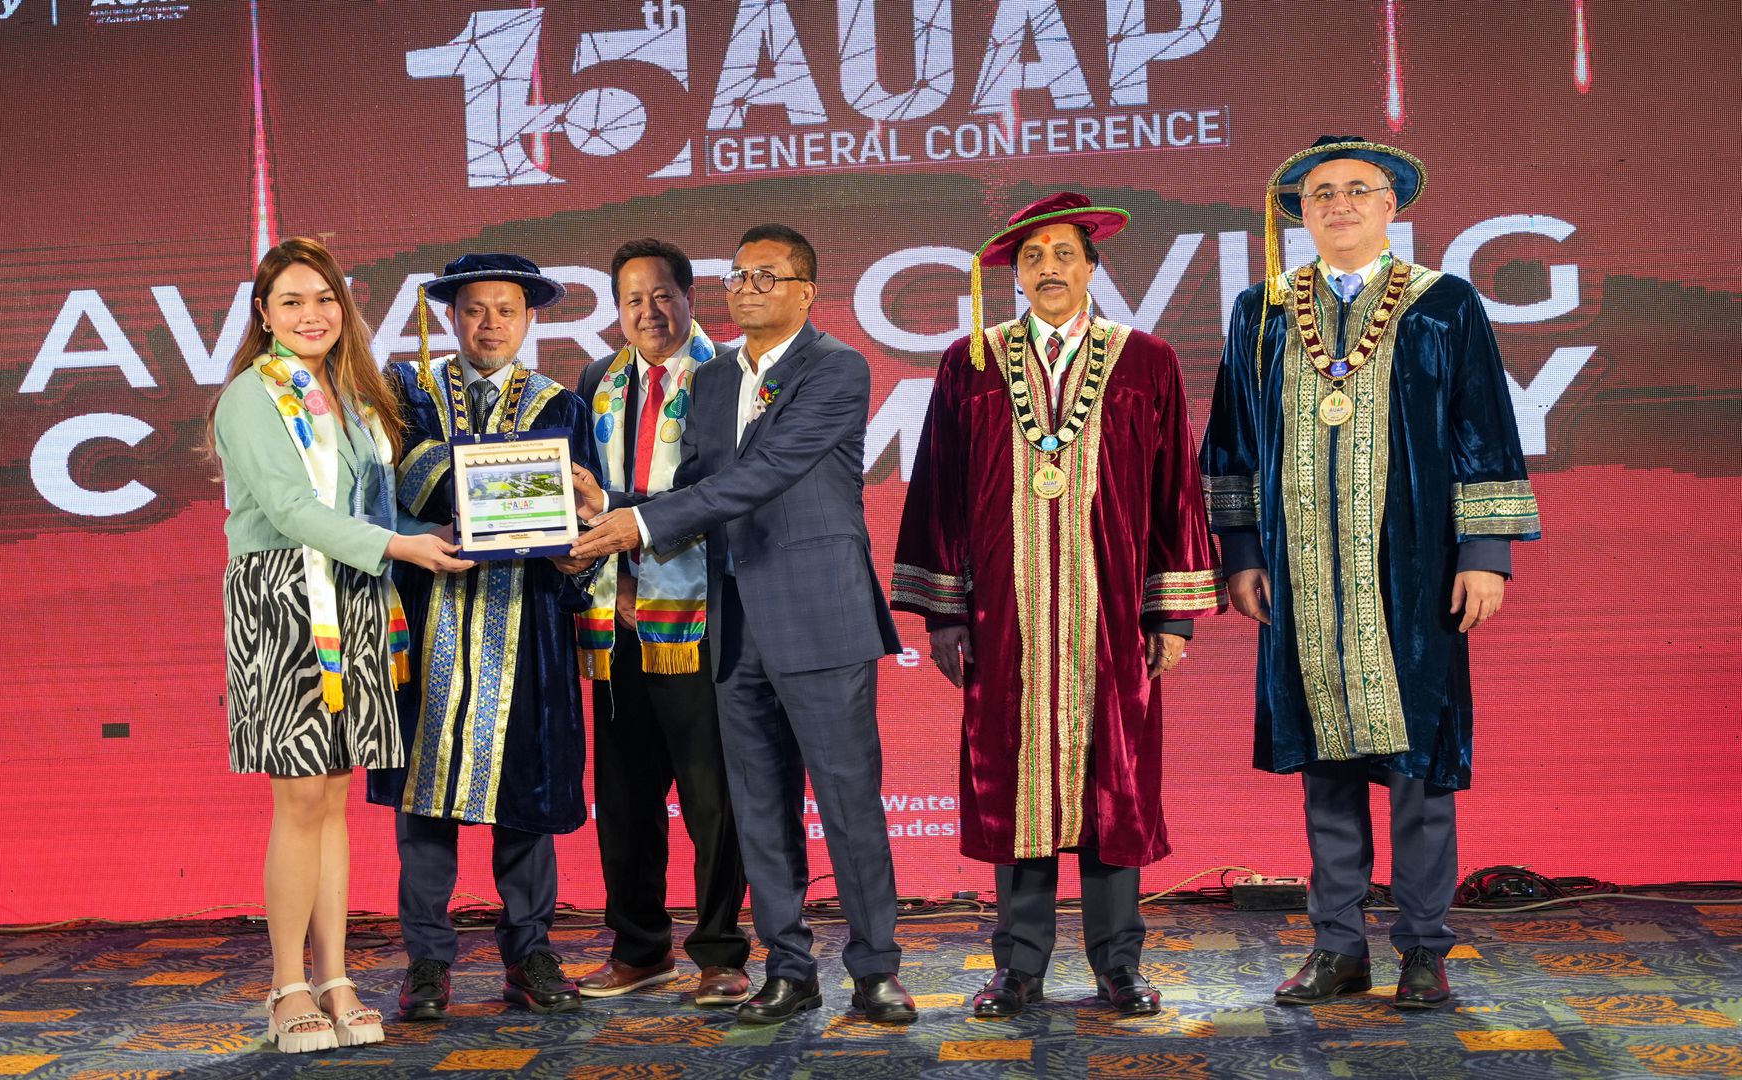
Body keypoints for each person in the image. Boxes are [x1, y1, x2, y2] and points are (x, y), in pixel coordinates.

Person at [1200, 137, 1542, 1010]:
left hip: (1416, 570)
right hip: (1302, 573)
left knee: (1420, 764)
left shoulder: (1444, 303)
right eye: (1322, 192)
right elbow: (1233, 439)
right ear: (1300, 211)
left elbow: (1482, 426)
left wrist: (1486, 554)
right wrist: (1241, 553)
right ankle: (1338, 946)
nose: (1340, 204)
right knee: (1326, 766)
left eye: (1359, 190)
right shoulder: (1261, 310)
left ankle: (1423, 947)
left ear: (1391, 207)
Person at [890, 194, 1224, 1019]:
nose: (1048, 268)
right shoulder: (971, 361)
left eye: (1063, 254)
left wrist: (1172, 612)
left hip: (1111, 617)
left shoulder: (1146, 361)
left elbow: (1174, 488)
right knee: (1014, 785)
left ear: (1092, 267)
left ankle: (1119, 966)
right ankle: (1019, 968)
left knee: (1116, 784)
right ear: (1015, 275)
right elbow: (938, 488)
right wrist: (945, 614)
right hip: (1003, 618)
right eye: (1033, 256)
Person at [571, 225, 913, 1026]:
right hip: (731, 623)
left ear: (806, 291)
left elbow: (765, 473)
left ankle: (876, 970)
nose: (749, 288)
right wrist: (607, 507)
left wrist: (637, 526)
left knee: (848, 803)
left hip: (820, 618)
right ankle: (789, 969)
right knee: (759, 808)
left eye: (768, 275)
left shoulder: (837, 368)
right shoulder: (717, 377)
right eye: (739, 275)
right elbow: (695, 485)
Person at [211, 237, 473, 1053]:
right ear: (264, 314)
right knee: (299, 800)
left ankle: (334, 978)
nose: (311, 314)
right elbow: (290, 510)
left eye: (324, 298)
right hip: (286, 599)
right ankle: (286, 986)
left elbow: (371, 507)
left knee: (331, 800)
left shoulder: (353, 397)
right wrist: (401, 549)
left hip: (354, 597)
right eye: (291, 301)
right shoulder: (250, 397)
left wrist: (449, 528)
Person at [365, 253, 602, 1018]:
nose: (490, 324)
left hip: (525, 627)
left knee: (526, 800)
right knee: (423, 803)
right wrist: (512, 481)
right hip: (428, 617)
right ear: (451, 316)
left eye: (505, 310)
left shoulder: (561, 406)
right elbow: (404, 480)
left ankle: (530, 952)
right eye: (474, 310)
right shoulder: (407, 393)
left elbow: (580, 517)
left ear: (530, 318)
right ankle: (427, 962)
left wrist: (577, 541)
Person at [570, 238, 753, 1007]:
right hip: (615, 619)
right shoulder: (595, 381)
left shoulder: (728, 377)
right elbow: (576, 496)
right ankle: (639, 948)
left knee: (713, 798)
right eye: (632, 300)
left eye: (662, 295)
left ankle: (720, 952)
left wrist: (617, 512)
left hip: (700, 616)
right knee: (624, 796)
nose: (648, 312)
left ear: (690, 297)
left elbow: (721, 492)